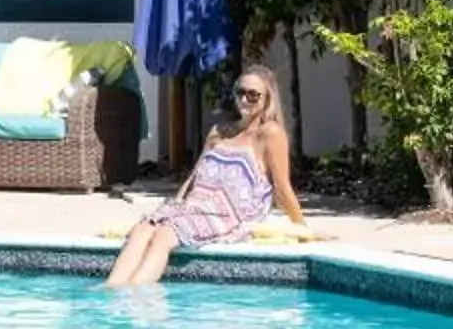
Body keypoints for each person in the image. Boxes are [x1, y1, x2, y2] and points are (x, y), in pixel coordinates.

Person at [106, 64, 307, 289]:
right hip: (196, 205)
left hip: (229, 213)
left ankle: (134, 292)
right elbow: (195, 176)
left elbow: (282, 186)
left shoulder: (269, 134)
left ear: (267, 99)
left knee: (164, 235)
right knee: (143, 229)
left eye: (253, 95)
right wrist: (176, 205)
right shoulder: (218, 132)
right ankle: (111, 291)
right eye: (240, 92)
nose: (245, 100)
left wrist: (302, 227)